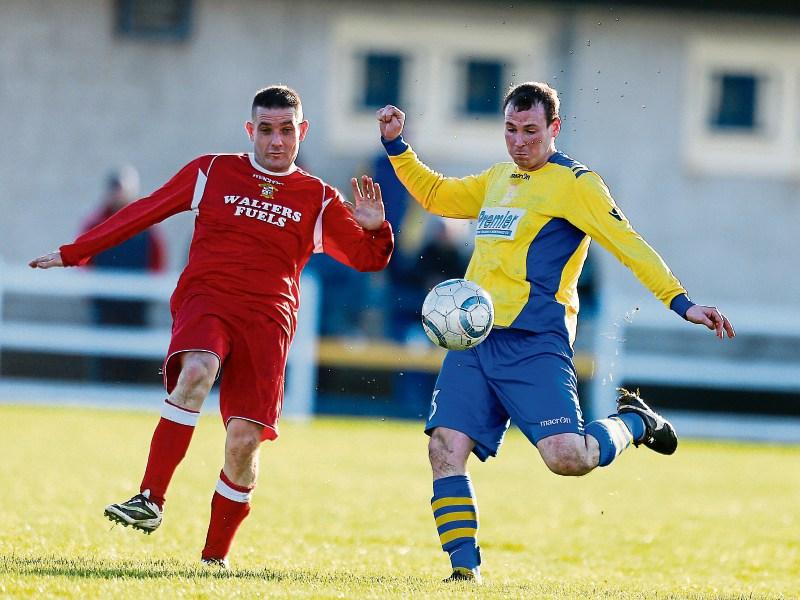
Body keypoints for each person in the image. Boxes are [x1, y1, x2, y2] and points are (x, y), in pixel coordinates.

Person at [376, 82, 735, 583]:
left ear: (553, 129)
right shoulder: (498, 178)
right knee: (443, 448)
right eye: (510, 130)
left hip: (535, 344)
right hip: (476, 341)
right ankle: (464, 574)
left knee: (569, 458)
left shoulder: (577, 184)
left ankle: (633, 422)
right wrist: (397, 147)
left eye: (529, 131)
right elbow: (438, 195)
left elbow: (627, 243)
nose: (518, 142)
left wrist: (682, 302)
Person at [29, 85, 393, 567]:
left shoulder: (318, 198)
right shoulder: (213, 170)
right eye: (266, 130)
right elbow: (145, 209)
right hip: (208, 300)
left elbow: (369, 261)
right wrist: (76, 252)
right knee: (197, 370)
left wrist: (374, 228)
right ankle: (150, 498)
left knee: (244, 441)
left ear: (302, 132)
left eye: (287, 130)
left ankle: (213, 560)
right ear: (251, 131)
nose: (276, 141)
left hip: (268, 322)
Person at [81, 165, 166, 381]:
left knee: (134, 360)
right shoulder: (96, 223)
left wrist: (147, 292)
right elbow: (83, 257)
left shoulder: (146, 226)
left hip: (135, 307)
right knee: (103, 355)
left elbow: (156, 262)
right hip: (105, 304)